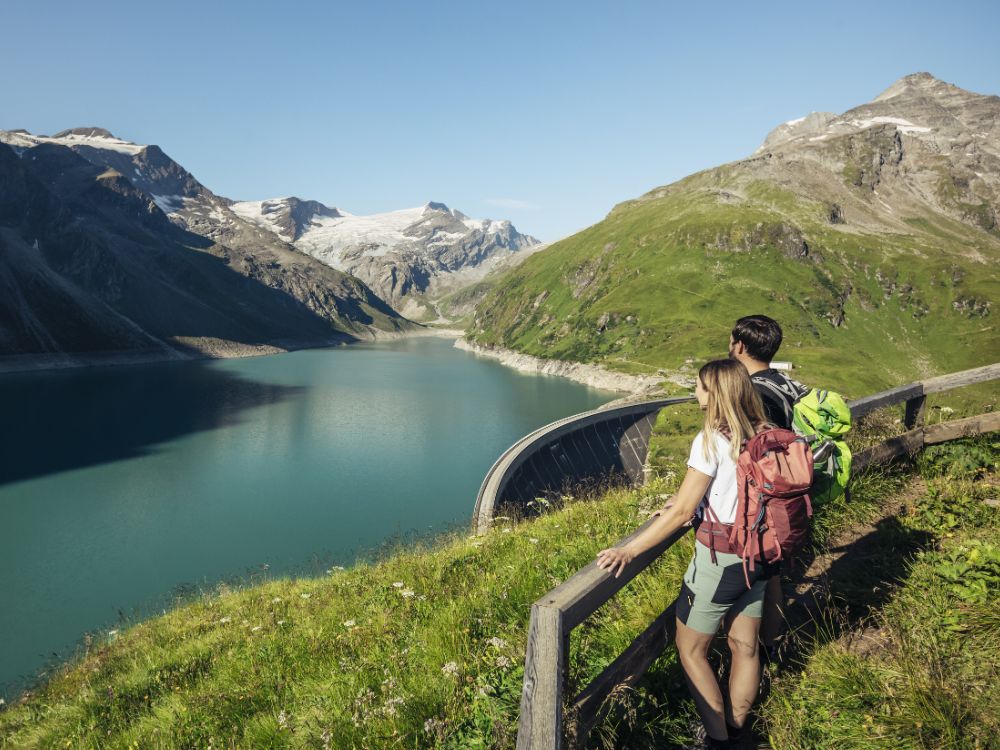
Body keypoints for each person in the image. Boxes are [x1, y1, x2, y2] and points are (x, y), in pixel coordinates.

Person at [596, 359, 773, 749]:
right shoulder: (764, 431)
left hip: (722, 560)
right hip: (760, 555)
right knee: (745, 646)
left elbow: (680, 515)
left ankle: (717, 740)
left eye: (699, 387)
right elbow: (723, 492)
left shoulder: (711, 439)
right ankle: (739, 729)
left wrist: (630, 549)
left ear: (715, 393)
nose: (695, 393)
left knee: (691, 650)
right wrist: (683, 500)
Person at [727, 314, 804, 659]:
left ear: (739, 346)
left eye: (731, 342)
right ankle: (769, 646)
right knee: (772, 575)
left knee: (760, 578)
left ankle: (754, 651)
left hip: (763, 499)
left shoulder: (755, 391)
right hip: (787, 487)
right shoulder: (782, 382)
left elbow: (747, 448)